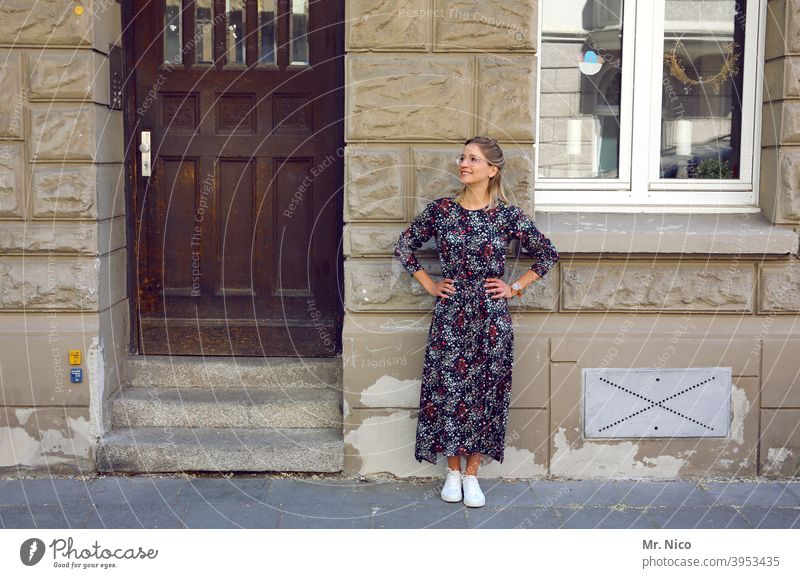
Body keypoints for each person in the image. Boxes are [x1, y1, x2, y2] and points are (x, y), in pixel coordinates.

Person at [393, 136, 560, 507]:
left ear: (492, 169)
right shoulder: (441, 211)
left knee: (486, 393)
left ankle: (473, 474)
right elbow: (404, 247)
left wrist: (514, 287)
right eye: (462, 157)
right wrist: (430, 284)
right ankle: (452, 472)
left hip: (491, 318)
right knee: (449, 391)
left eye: (473, 159)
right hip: (451, 315)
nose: (463, 164)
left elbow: (548, 255)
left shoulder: (507, 216)